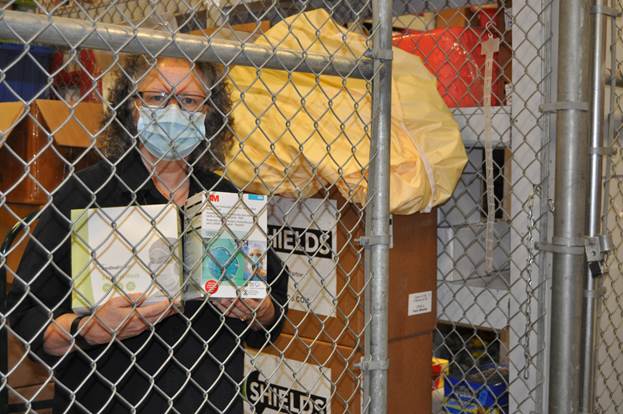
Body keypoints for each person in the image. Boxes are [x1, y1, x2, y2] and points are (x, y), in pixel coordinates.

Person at [7, 56, 289, 413]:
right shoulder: (88, 193)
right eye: (156, 97)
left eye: (188, 101)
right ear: (132, 107)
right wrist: (87, 329)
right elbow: (26, 311)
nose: (173, 110)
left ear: (208, 113)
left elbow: (273, 303)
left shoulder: (223, 196)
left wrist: (259, 310)